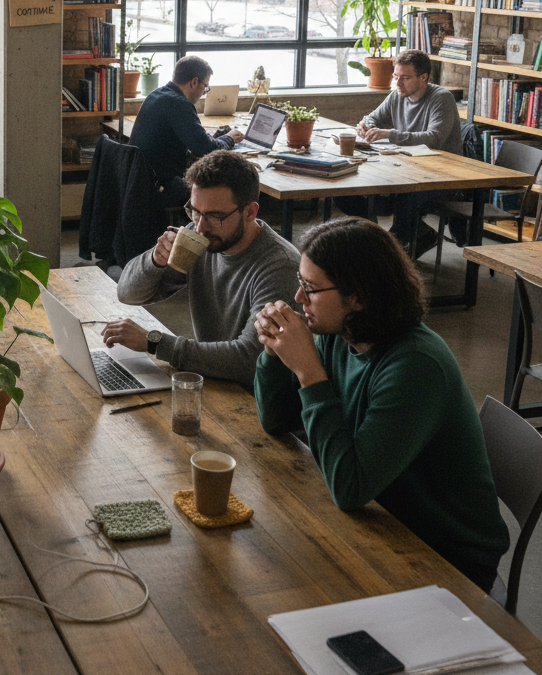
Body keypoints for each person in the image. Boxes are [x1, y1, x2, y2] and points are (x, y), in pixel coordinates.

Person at [253, 217, 508, 593]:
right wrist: (275, 352)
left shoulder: (416, 365)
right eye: (299, 283)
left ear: (358, 297)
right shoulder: (340, 334)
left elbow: (351, 488)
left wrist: (308, 373)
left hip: (444, 556)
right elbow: (276, 420)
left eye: (310, 288)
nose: (298, 298)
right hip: (384, 519)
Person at [105, 149, 299, 388]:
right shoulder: (202, 238)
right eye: (195, 211)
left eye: (215, 216)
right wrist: (155, 260)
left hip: (256, 399)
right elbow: (128, 293)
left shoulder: (280, 266)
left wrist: (154, 342)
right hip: (211, 378)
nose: (200, 228)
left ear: (250, 212)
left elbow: (250, 359)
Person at [338, 49, 461, 257]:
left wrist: (390, 134)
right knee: (345, 190)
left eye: (405, 78)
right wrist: (365, 125)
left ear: (423, 77)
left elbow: (434, 138)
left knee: (406, 196)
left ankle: (392, 253)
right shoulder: (398, 95)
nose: (398, 84)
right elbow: (373, 117)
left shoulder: (441, 98)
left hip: (442, 176)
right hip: (407, 168)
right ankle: (376, 241)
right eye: (396, 77)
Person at [129, 55, 244, 208]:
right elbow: (206, 149)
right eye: (206, 87)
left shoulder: (157, 94)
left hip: (140, 183)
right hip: (161, 188)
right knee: (225, 193)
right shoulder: (179, 104)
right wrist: (229, 138)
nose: (204, 92)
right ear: (194, 82)